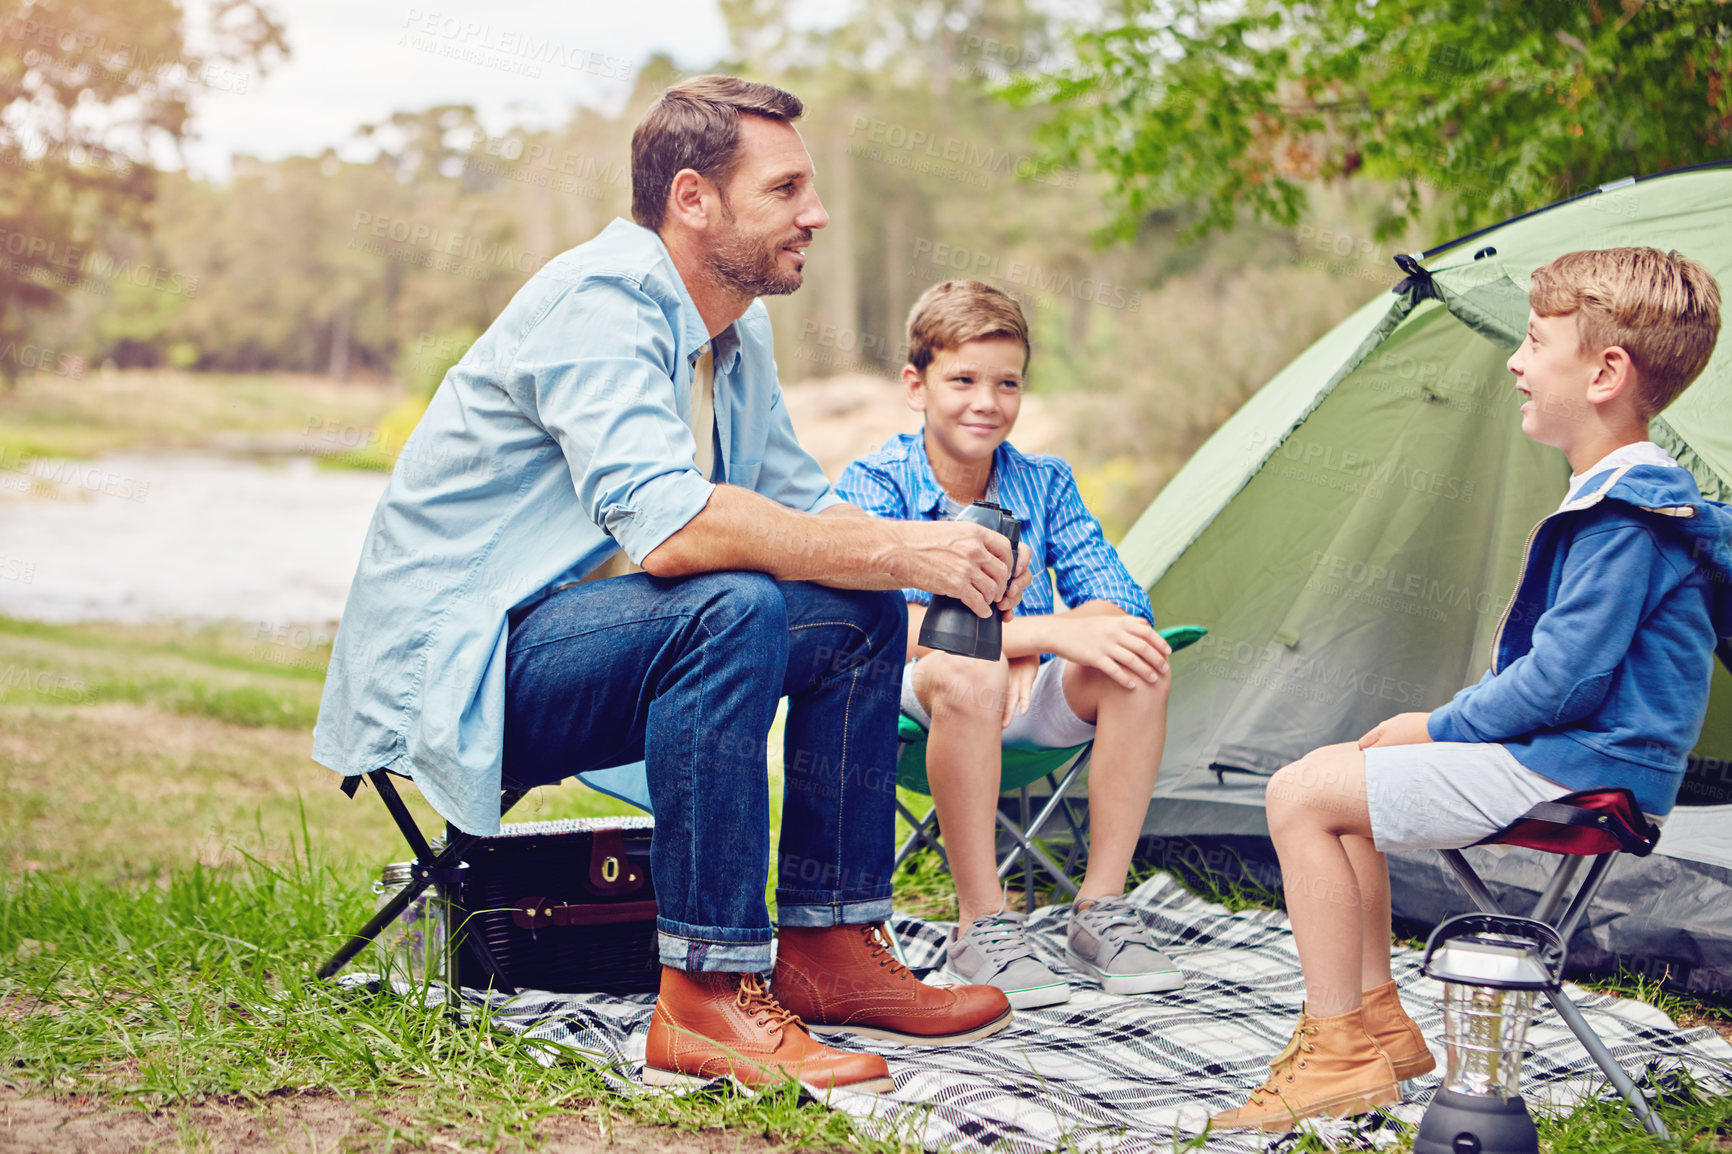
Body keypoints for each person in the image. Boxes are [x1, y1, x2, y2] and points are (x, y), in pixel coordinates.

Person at [313, 77, 1037, 1094]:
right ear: (693, 198)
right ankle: (703, 991)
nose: (815, 214)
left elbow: (806, 516)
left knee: (855, 612)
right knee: (727, 600)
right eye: (785, 189)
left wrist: (935, 547)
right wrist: (898, 551)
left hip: (606, 646)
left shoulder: (734, 329)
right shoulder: (598, 300)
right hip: (464, 669)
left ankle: (827, 942)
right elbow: (671, 528)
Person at [1212, 247, 1730, 1131]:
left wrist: (1440, 725)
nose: (1515, 362)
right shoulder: (1628, 498)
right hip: (1584, 759)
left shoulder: (1628, 513)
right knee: (1339, 781)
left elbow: (1565, 680)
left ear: (1606, 371)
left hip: (1582, 767)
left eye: (1534, 343)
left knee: (1298, 794)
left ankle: (1337, 1052)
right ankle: (1379, 1025)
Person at [835, 280, 1181, 1009]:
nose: (986, 402)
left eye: (1007, 383)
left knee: (1140, 658)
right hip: (918, 695)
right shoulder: (877, 482)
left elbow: (1118, 601)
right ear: (915, 384)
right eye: (961, 379)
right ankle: (981, 924)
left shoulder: (1044, 482)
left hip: (1025, 689)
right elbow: (891, 627)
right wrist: (1033, 634)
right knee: (970, 672)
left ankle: (1101, 909)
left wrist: (1023, 649)